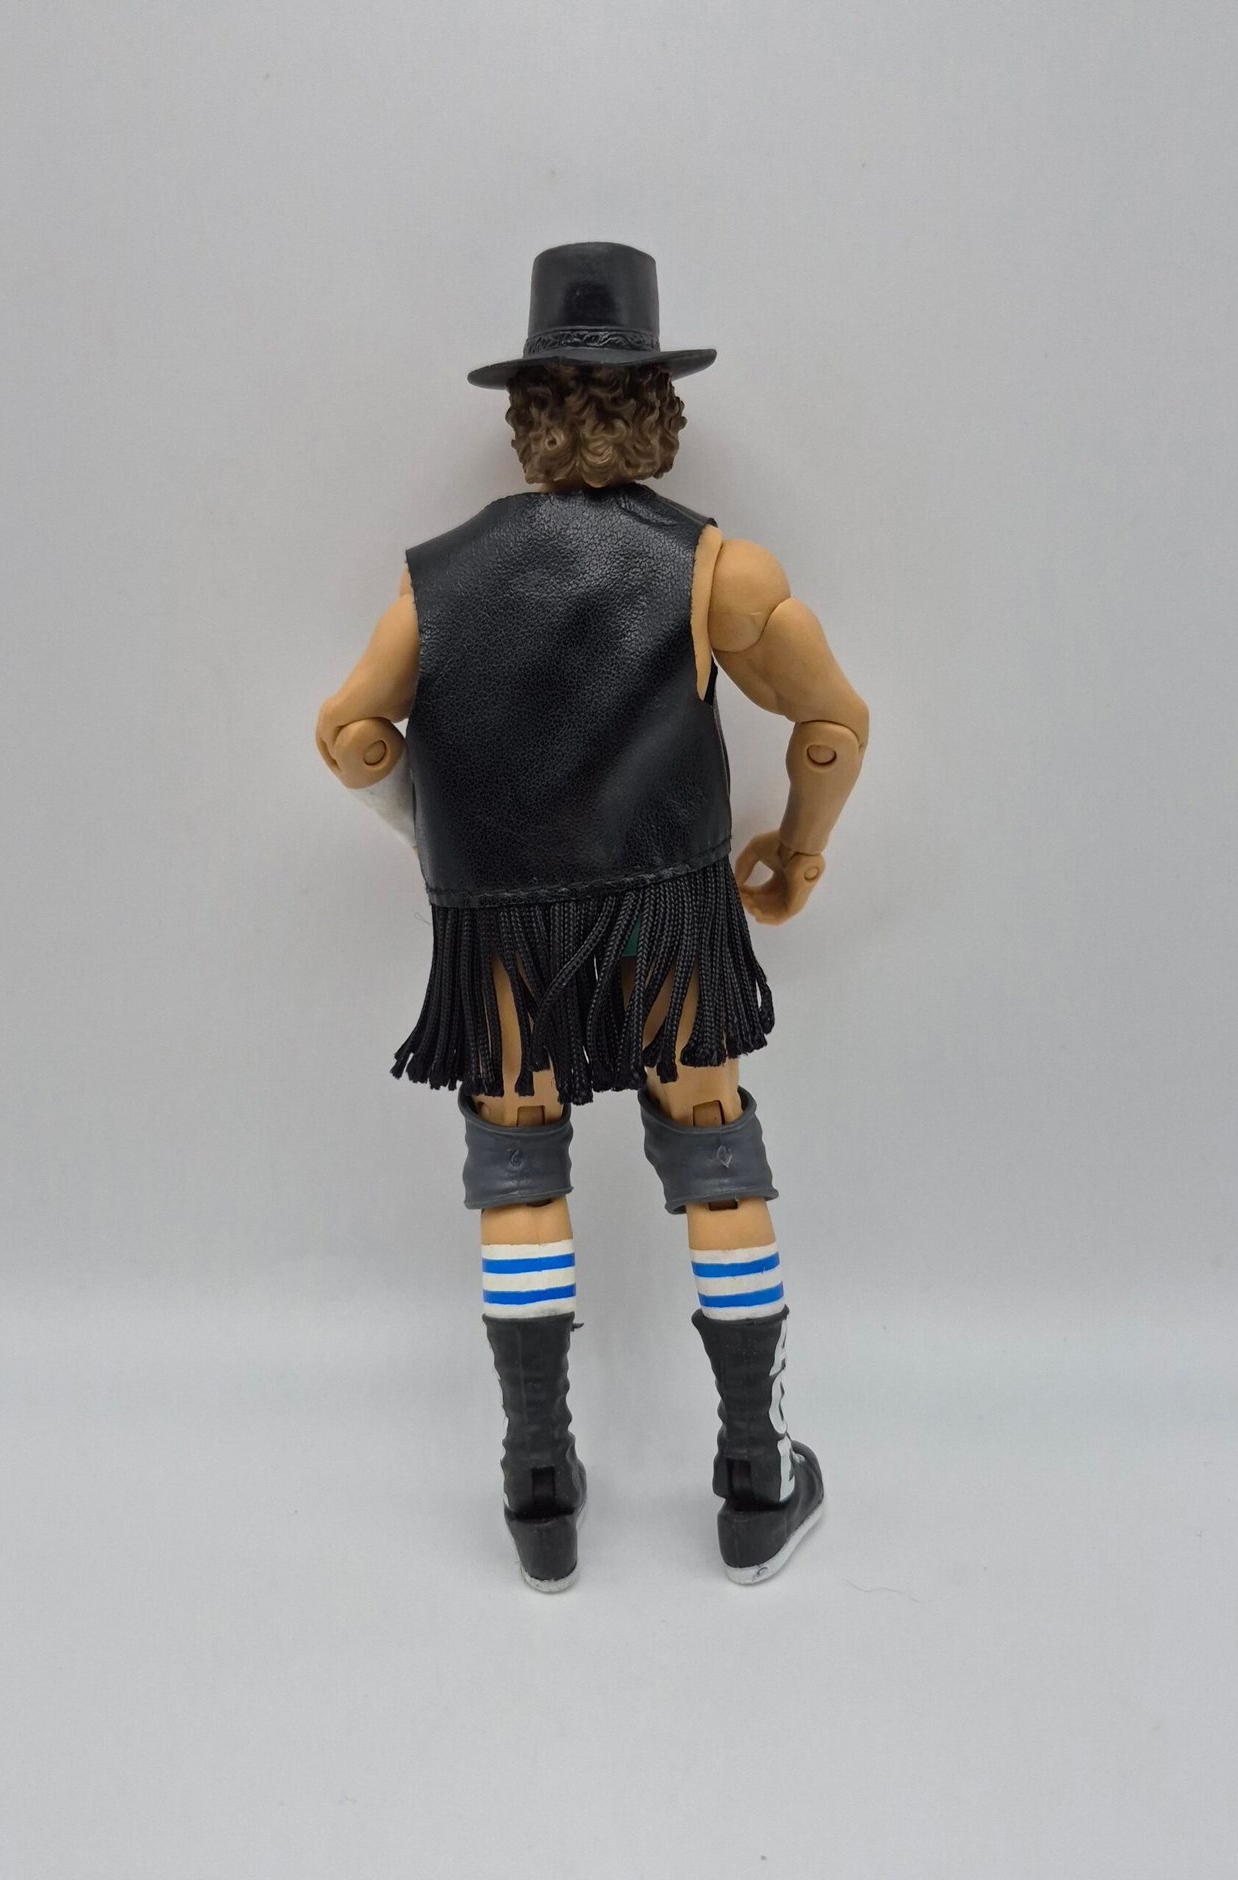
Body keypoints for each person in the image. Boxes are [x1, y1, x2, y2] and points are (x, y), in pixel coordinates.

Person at [315, 243, 869, 1591]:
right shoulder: (718, 570)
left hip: (506, 931)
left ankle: (538, 1486)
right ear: (658, 409)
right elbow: (831, 726)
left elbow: (350, 733)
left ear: (527, 415)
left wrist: (431, 834)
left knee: (518, 1161)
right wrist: (796, 854)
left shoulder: (439, 581)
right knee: (713, 1150)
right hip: (666, 918)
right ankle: (753, 1477)